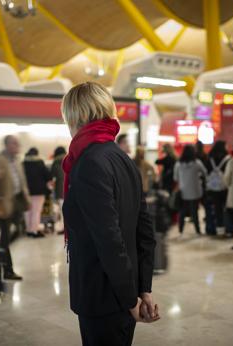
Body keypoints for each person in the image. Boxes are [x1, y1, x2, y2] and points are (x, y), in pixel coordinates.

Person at [61, 82, 159, 346]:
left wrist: (130, 300)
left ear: (73, 116)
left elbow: (108, 240)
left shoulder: (88, 163)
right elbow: (145, 232)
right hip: (124, 291)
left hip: (103, 295)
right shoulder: (121, 158)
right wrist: (143, 290)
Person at [0, 135, 30, 280]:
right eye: (14, 144)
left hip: (18, 201)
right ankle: (7, 269)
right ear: (7, 145)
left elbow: (22, 181)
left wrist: (26, 198)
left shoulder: (17, 160)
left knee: (20, 230)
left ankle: (0, 250)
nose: (17, 146)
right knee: (6, 235)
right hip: (4, 204)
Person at [174, 144, 207, 235]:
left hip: (183, 191)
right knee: (195, 211)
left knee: (182, 211)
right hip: (195, 191)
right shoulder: (197, 163)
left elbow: (176, 178)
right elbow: (205, 173)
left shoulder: (178, 164)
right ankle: (197, 230)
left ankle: (180, 230)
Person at [23, 147, 52, 238]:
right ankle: (34, 231)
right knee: (36, 211)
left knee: (27, 211)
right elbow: (48, 176)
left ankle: (28, 230)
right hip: (39, 192)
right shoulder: (40, 163)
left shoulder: (23, 164)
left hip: (26, 191)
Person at [206, 140, 232, 236]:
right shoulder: (227, 158)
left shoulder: (209, 158)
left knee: (217, 209)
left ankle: (219, 228)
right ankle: (229, 228)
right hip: (225, 187)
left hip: (213, 187)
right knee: (227, 208)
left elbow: (206, 172)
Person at [51, 146, 66, 234]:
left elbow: (53, 175)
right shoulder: (70, 158)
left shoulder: (56, 162)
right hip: (70, 187)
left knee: (62, 210)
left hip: (60, 189)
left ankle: (65, 228)